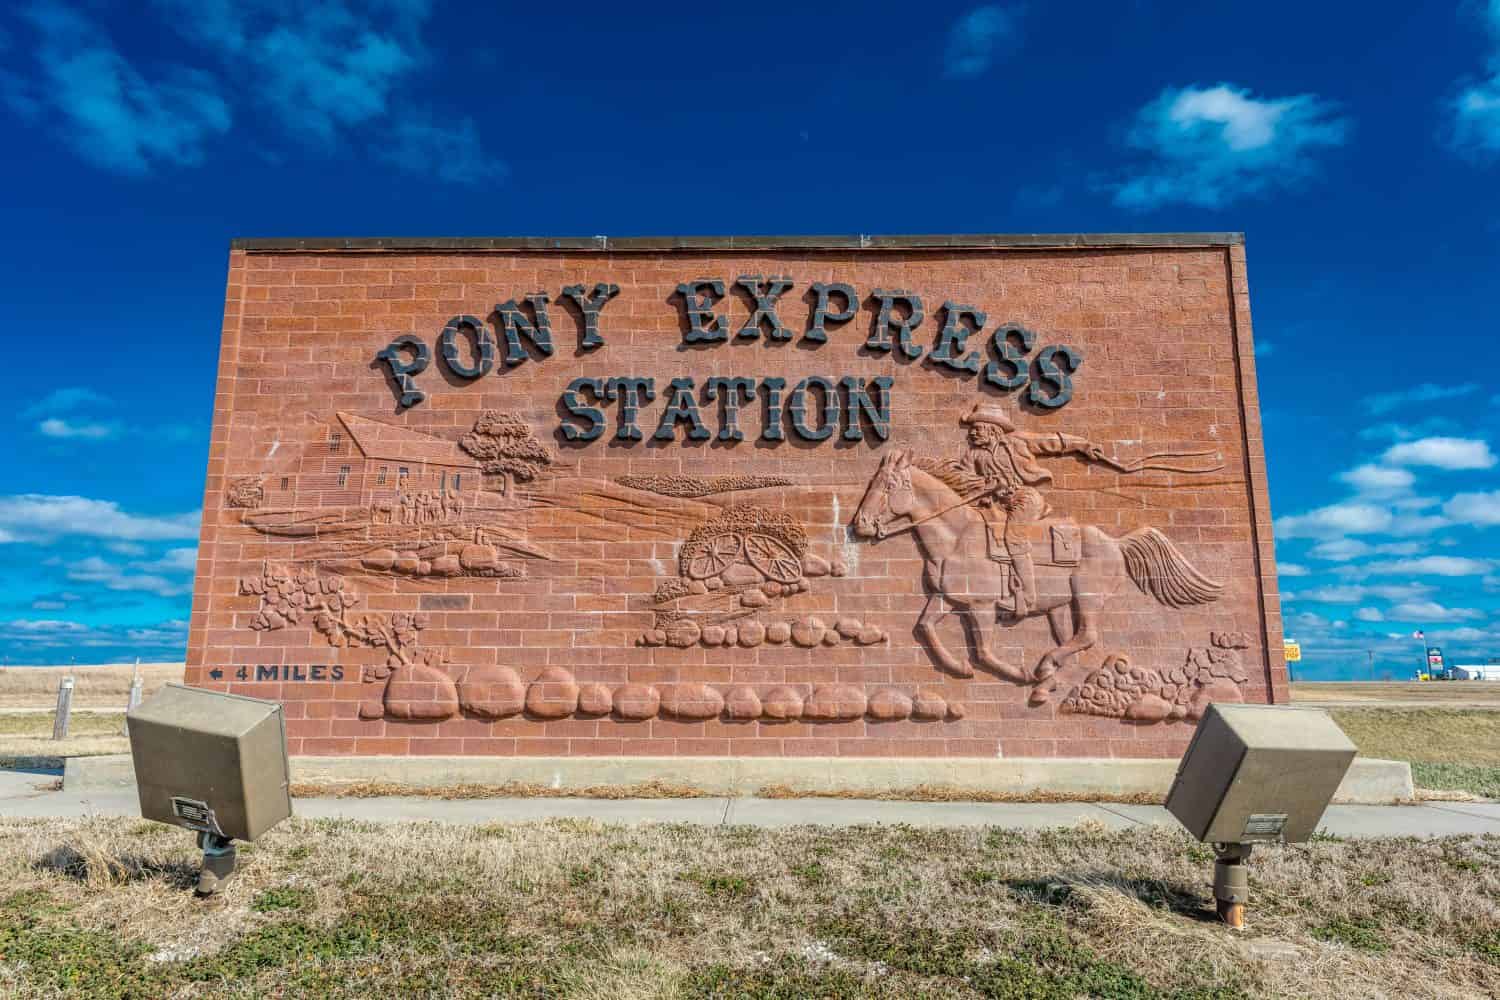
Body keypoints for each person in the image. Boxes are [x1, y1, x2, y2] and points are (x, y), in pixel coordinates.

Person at [951, 402, 1106, 617]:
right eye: (972, 430)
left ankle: (1027, 597)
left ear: (991, 428)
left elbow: (1051, 442)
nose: (972, 434)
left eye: (977, 428)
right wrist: (981, 490)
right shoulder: (973, 455)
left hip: (1023, 498)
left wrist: (1083, 445)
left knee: (1014, 537)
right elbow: (963, 479)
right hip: (995, 503)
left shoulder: (1016, 442)